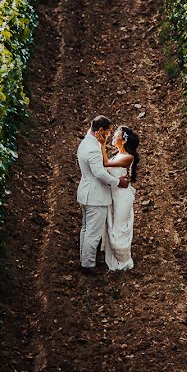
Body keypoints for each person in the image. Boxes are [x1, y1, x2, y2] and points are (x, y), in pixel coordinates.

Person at [76, 115, 128, 275]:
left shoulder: (85, 143)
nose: (109, 135)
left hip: (86, 192)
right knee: (93, 231)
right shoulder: (92, 148)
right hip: (95, 195)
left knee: (86, 229)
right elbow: (99, 173)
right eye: (108, 131)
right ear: (100, 130)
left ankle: (85, 259)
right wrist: (117, 181)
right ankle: (88, 265)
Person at [101, 125, 139, 271]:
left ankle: (123, 260)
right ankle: (115, 259)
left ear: (123, 141)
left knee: (119, 227)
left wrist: (102, 143)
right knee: (112, 224)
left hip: (122, 196)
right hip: (114, 195)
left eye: (116, 134)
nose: (113, 136)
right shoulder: (116, 155)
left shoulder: (128, 157)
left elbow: (105, 164)